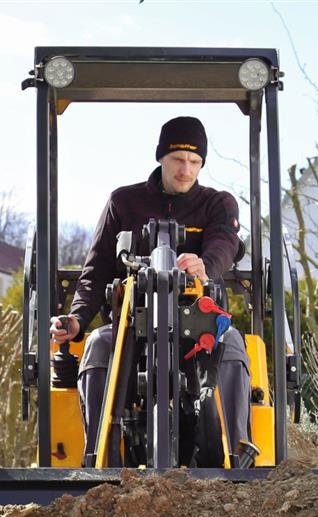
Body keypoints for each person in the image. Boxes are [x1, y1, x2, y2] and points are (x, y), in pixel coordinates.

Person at [49, 115, 250, 463]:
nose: (186, 170)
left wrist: (205, 266)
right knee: (97, 346)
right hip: (131, 327)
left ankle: (239, 457)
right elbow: (96, 270)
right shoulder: (124, 203)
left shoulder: (218, 204)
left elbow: (224, 243)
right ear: (161, 157)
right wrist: (78, 318)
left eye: (194, 161)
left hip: (197, 326)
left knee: (231, 343)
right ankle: (97, 460)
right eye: (178, 159)